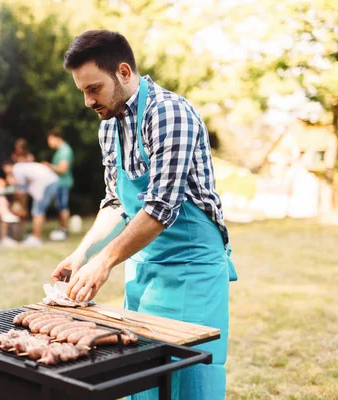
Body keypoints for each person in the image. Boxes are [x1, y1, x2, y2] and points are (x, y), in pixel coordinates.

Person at [51, 30, 238, 400]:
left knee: (186, 375)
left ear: (123, 72)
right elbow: (116, 202)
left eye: (94, 89)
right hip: (144, 265)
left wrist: (105, 262)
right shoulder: (110, 126)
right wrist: (83, 253)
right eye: (83, 92)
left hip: (191, 267)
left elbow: (160, 208)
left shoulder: (170, 114)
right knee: (140, 373)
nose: (88, 101)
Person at [1, 160, 59, 247]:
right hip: (51, 181)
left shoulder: (16, 170)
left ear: (9, 165)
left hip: (47, 183)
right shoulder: (22, 167)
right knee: (39, 210)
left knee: (38, 211)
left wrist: (23, 207)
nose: (6, 172)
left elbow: (22, 191)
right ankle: (36, 236)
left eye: (6, 168)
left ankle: (35, 239)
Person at [42, 129, 74, 241]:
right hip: (59, 183)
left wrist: (48, 166)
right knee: (60, 207)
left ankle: (64, 231)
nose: (49, 143)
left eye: (50, 140)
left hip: (63, 183)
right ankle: (61, 229)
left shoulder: (65, 150)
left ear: (57, 138)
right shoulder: (60, 150)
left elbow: (62, 169)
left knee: (63, 207)